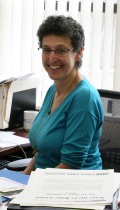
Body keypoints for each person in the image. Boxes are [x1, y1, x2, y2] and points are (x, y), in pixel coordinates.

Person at [23, 15, 104, 175]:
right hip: (45, 184)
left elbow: (70, 167)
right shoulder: (53, 89)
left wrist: (28, 188)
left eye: (61, 50)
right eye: (47, 49)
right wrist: (17, 181)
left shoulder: (84, 98)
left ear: (78, 53)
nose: (52, 58)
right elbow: (42, 152)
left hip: (72, 188)